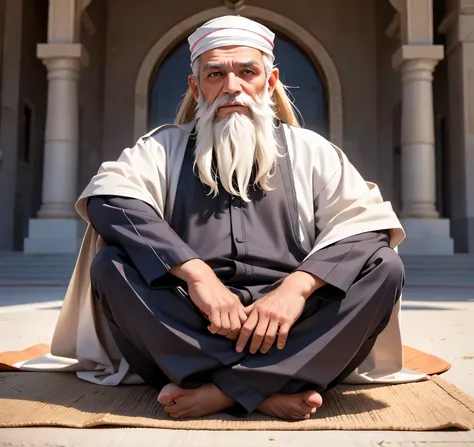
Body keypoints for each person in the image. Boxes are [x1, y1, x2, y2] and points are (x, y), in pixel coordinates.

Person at [39, 15, 426, 421]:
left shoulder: (311, 150)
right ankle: (269, 388)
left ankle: (221, 390)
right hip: (191, 319)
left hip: (292, 324)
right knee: (111, 266)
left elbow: (366, 226)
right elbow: (109, 200)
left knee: (385, 267)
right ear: (196, 85)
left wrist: (295, 289)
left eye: (247, 72)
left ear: (270, 81)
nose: (232, 87)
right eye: (215, 74)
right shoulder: (162, 148)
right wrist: (197, 277)